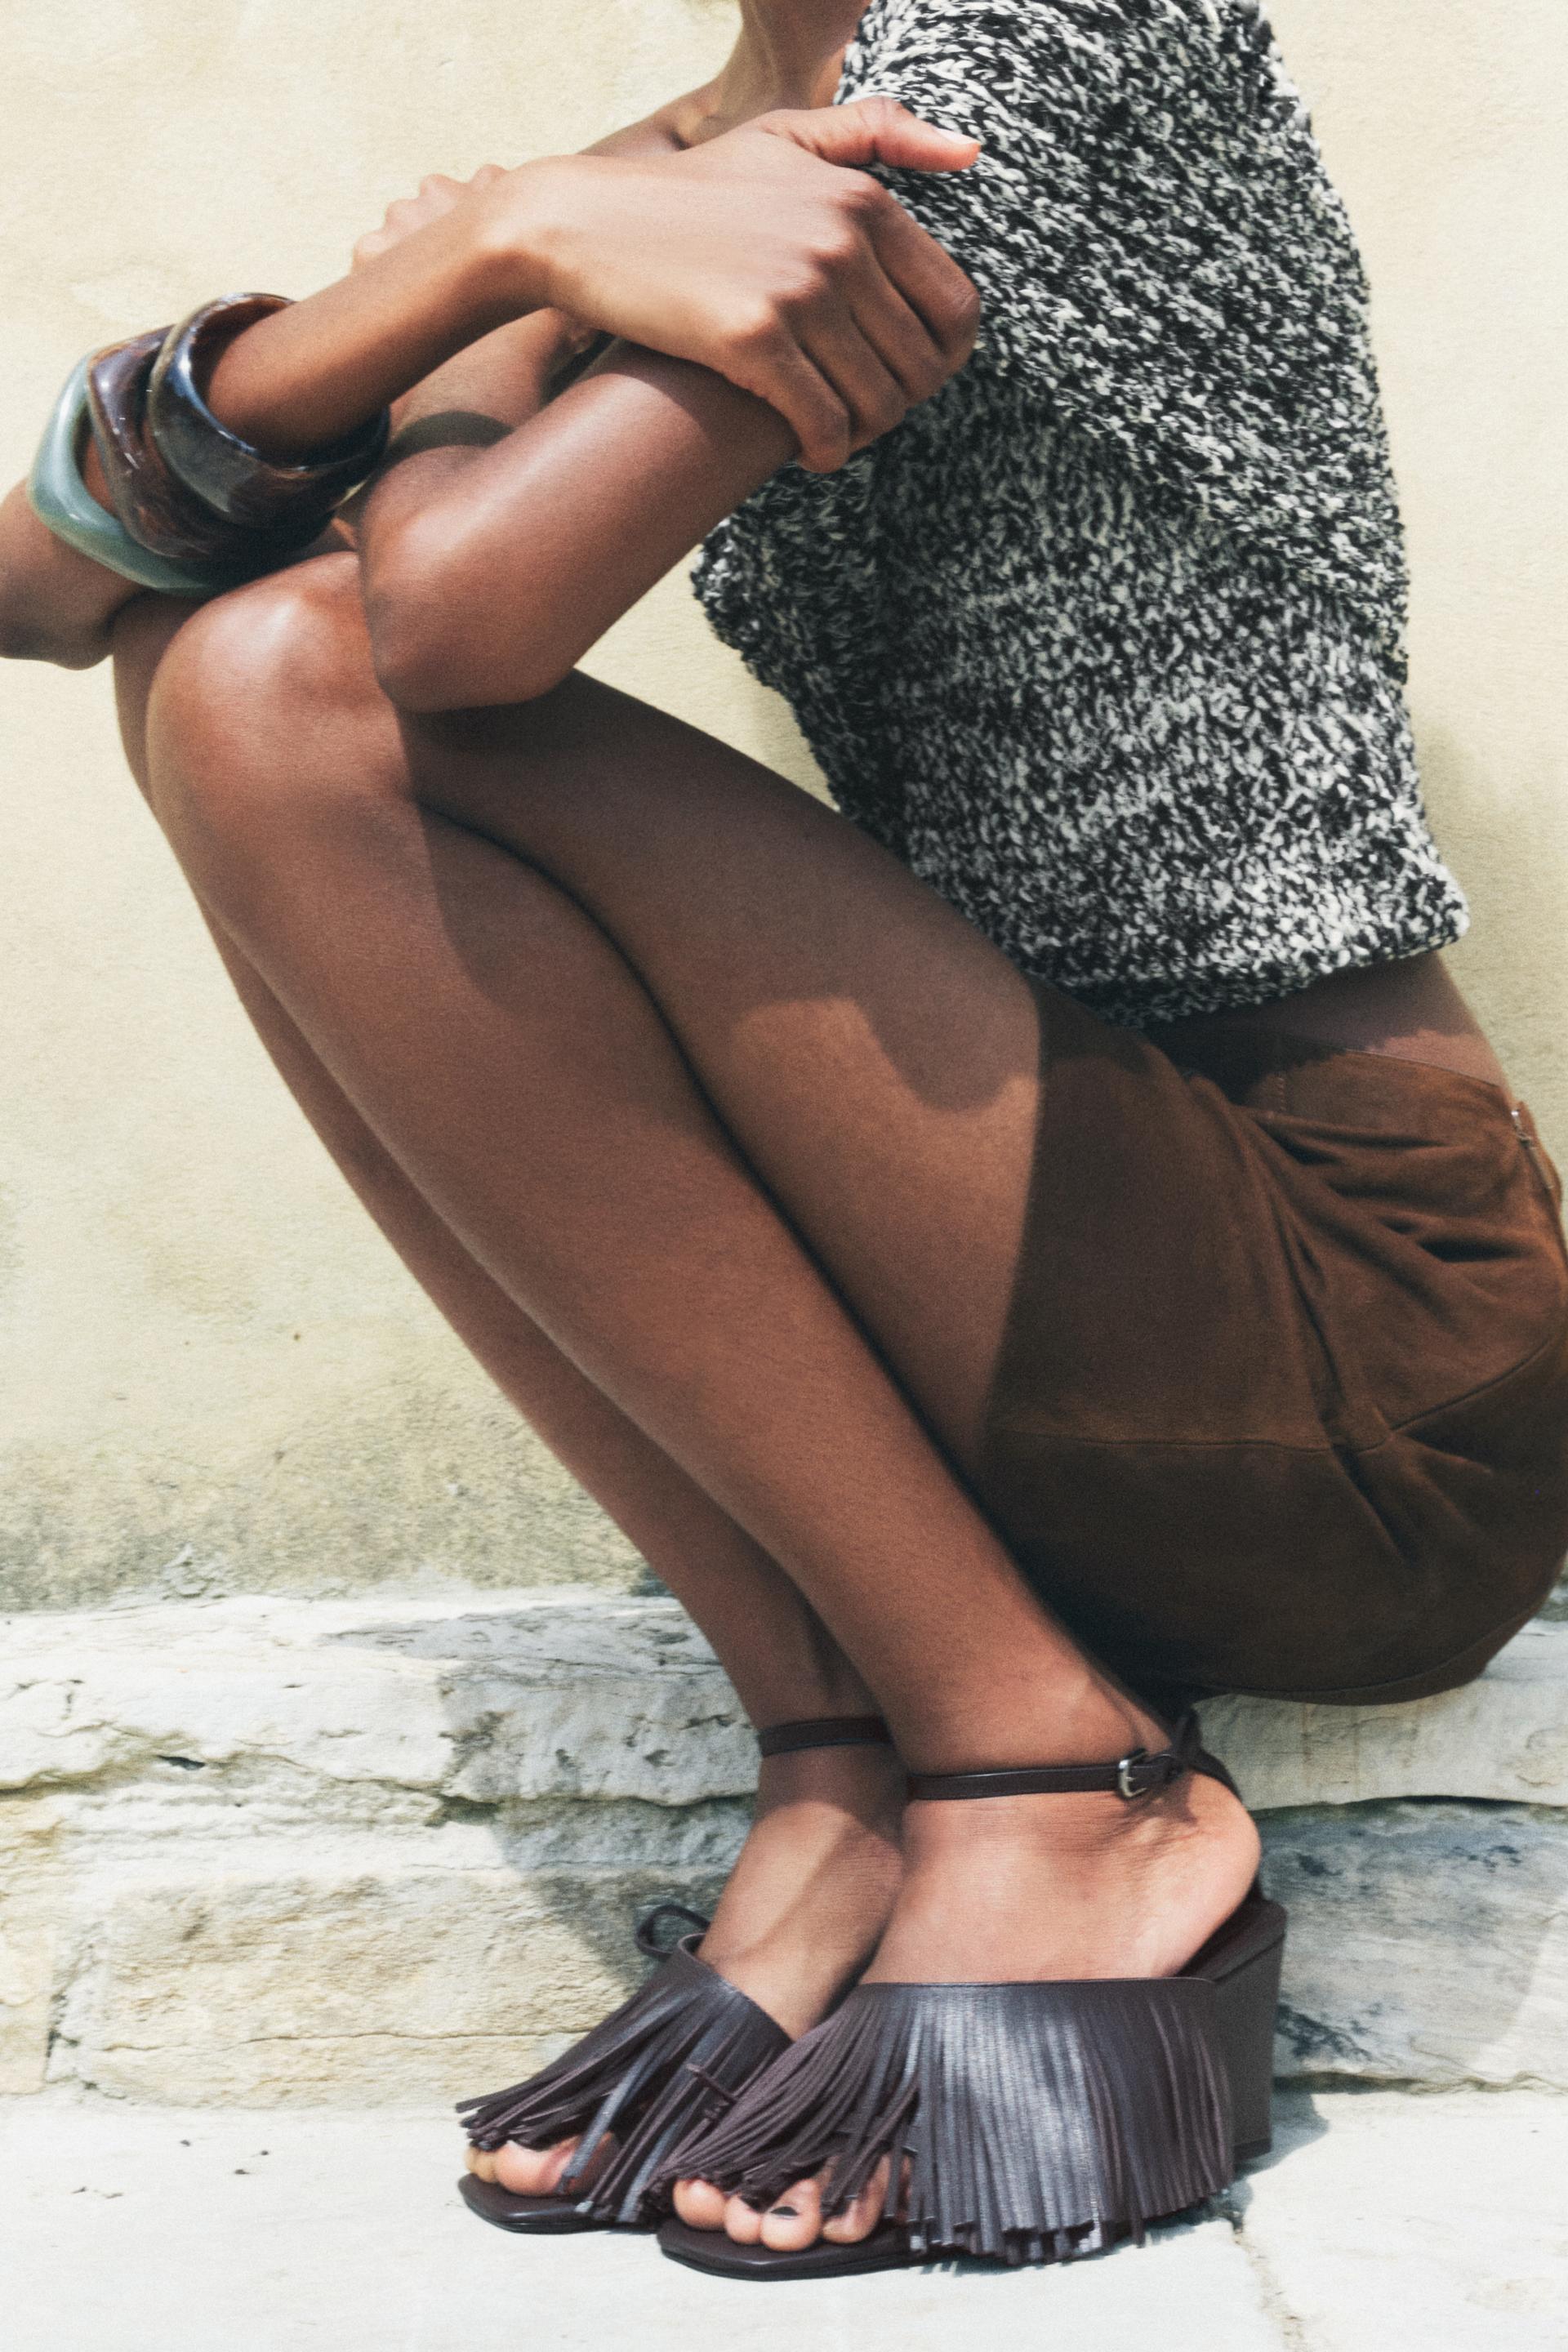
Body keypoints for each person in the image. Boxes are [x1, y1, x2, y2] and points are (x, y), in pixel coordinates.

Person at [4, 0, 1566, 2282]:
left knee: (281, 682)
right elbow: (48, 579)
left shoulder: (1036, 47)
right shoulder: (728, 138)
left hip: (1354, 1356)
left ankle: (1054, 1776)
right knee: (212, 676)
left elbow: (450, 621)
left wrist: (482, 286)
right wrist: (519, 242)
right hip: (1023, 1314)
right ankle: (848, 1760)